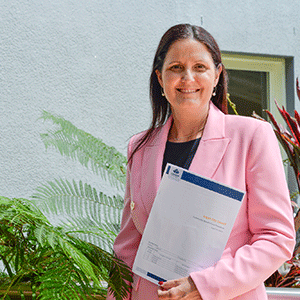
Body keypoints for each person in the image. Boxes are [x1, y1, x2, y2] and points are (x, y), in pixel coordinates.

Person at [107, 24, 295, 300]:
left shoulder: (251, 136)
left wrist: (202, 285)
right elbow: (127, 249)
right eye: (175, 68)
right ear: (159, 78)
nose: (187, 78)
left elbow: (275, 237)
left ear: (217, 75)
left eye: (199, 67)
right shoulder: (140, 147)